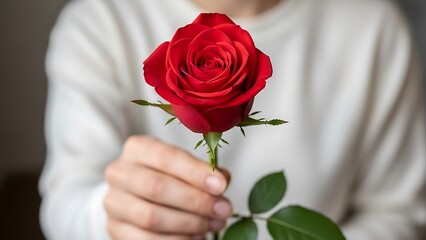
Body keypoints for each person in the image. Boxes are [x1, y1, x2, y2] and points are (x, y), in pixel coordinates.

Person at [39, 0, 426, 239]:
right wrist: (109, 216)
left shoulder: (374, 28)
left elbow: (400, 215)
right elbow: (63, 204)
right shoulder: (98, 22)